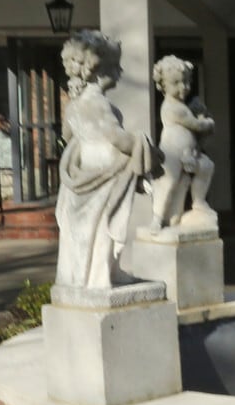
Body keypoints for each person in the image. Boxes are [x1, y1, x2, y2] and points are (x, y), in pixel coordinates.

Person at [55, 31, 153, 289]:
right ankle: (100, 278)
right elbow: (118, 139)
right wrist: (143, 144)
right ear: (97, 70)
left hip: (82, 171)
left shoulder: (74, 105)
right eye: (115, 67)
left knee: (85, 230)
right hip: (104, 172)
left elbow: (67, 136)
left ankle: (94, 274)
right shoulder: (99, 104)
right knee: (103, 228)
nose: (120, 72)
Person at [149, 55, 217, 231]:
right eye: (176, 83)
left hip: (189, 153)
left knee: (206, 167)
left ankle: (198, 202)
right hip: (173, 152)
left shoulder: (184, 106)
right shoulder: (172, 107)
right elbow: (196, 125)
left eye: (186, 82)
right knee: (168, 183)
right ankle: (157, 218)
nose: (183, 87)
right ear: (163, 85)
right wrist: (207, 122)